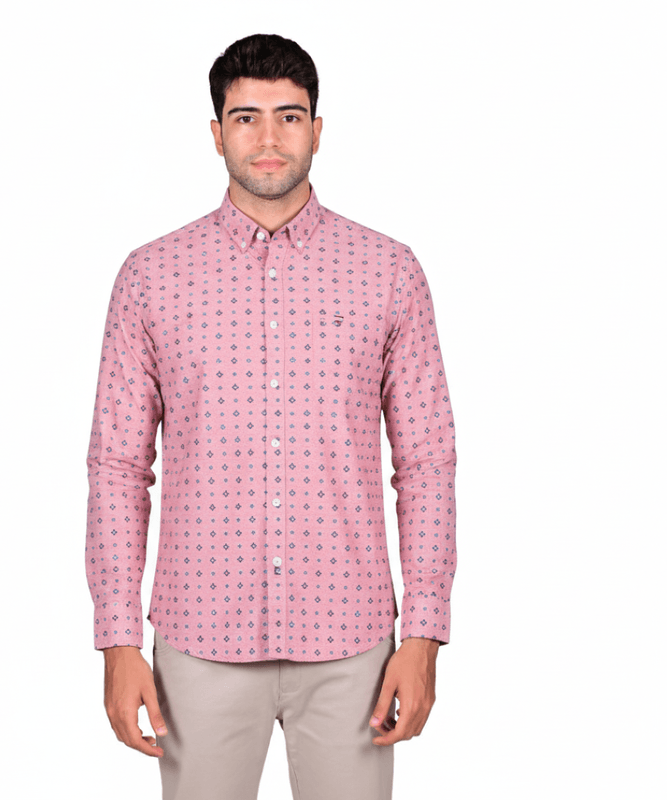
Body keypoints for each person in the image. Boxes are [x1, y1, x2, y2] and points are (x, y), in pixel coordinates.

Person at [85, 33, 457, 800]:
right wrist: (118, 639)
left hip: (352, 645)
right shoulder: (151, 277)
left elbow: (426, 461)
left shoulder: (389, 272)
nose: (268, 138)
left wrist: (423, 633)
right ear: (216, 132)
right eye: (245, 117)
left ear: (317, 130)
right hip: (199, 641)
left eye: (288, 117)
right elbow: (118, 468)